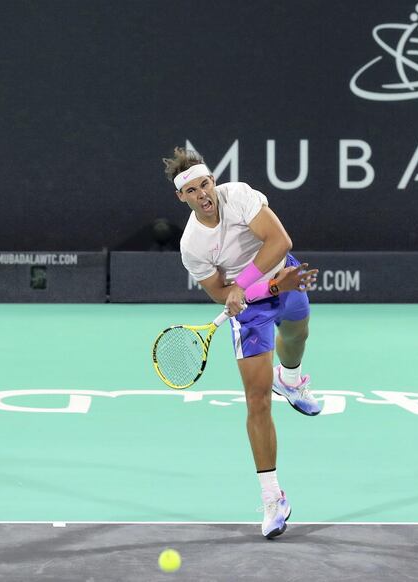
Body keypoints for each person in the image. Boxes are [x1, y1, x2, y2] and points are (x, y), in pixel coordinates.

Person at [163, 147, 321, 539]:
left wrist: (251, 284)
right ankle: (273, 498)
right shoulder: (191, 245)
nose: (204, 195)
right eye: (193, 191)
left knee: (297, 333)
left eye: (206, 184)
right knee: (256, 400)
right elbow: (220, 292)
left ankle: (291, 377)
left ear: (213, 181)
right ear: (181, 197)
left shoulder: (240, 197)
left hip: (280, 275)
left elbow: (280, 241)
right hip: (249, 309)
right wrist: (247, 290)